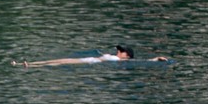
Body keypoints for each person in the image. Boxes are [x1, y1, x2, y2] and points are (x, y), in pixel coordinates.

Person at [15, 44, 168, 67]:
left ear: (125, 55)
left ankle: (34, 66)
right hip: (88, 59)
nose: (117, 52)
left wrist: (154, 59)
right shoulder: (115, 58)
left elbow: (139, 62)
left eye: (120, 51)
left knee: (61, 62)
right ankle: (33, 63)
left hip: (88, 62)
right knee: (60, 60)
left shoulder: (120, 61)